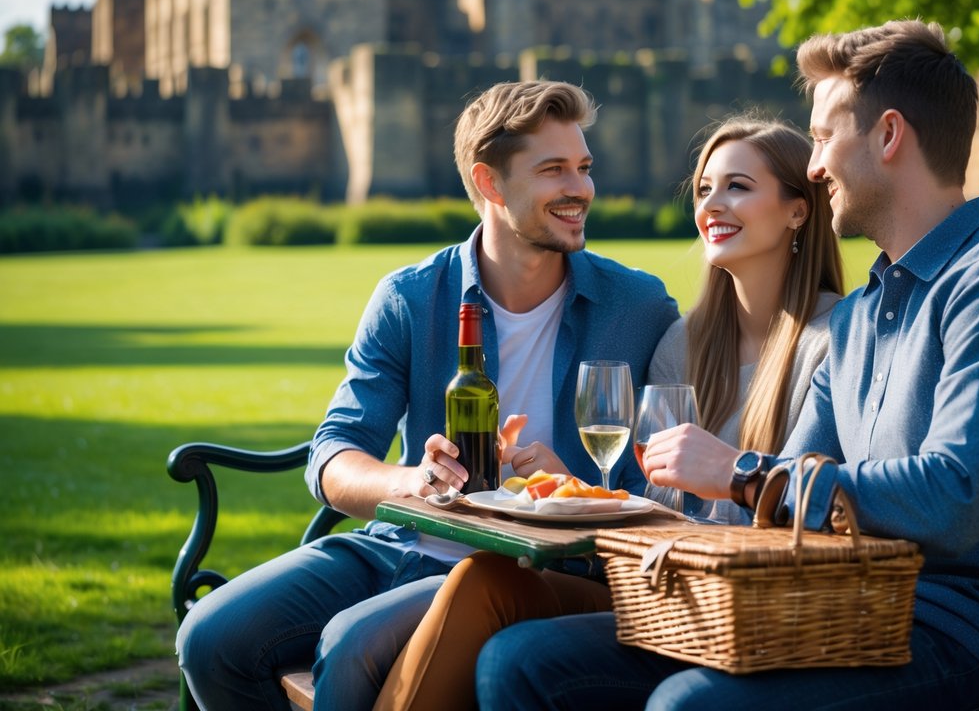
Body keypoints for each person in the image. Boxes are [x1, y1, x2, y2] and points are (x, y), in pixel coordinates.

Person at [474, 20, 979, 711]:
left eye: (825, 137)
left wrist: (737, 470)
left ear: (888, 136)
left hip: (959, 635)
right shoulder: (858, 318)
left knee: (690, 706)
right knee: (521, 662)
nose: (816, 163)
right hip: (826, 607)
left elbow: (951, 500)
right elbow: (778, 514)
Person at [175, 80, 680, 710]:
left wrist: (570, 488)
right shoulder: (411, 298)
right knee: (211, 638)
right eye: (554, 170)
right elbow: (334, 454)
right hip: (399, 548)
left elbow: (666, 485)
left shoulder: (638, 306)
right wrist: (411, 481)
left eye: (583, 167)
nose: (581, 188)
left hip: (533, 572)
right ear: (490, 184)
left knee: (349, 645)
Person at [372, 115, 846, 710]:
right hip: (666, 589)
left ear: (798, 210)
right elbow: (655, 504)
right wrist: (570, 487)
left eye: (738, 186)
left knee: (503, 643)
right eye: (703, 189)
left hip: (749, 607)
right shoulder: (682, 343)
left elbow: (812, 510)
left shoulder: (835, 339)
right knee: (484, 580)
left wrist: (727, 475)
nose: (712, 205)